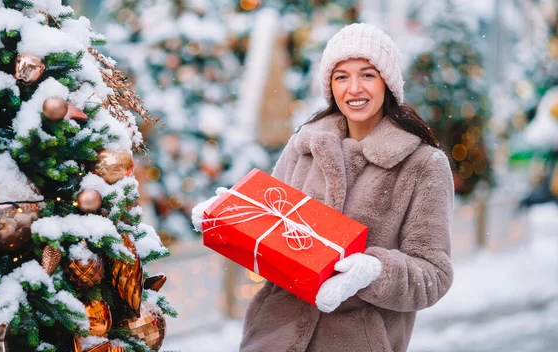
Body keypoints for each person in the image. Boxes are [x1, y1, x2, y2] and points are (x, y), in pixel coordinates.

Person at [194, 23, 454, 352]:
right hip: (273, 338)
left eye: (367, 75)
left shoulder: (423, 165)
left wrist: (373, 271)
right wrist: (230, 216)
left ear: (387, 82)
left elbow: (434, 274)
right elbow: (273, 230)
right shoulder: (303, 146)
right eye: (341, 76)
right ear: (330, 85)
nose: (354, 88)